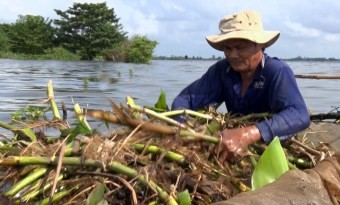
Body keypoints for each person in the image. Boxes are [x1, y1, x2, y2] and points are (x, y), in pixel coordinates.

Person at [171, 10, 311, 162]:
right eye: (228, 48)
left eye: (240, 47)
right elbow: (184, 100)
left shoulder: (277, 71)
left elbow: (299, 114)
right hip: (232, 137)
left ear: (260, 45)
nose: (233, 55)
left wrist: (248, 134)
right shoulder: (222, 70)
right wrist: (185, 129)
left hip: (268, 143)